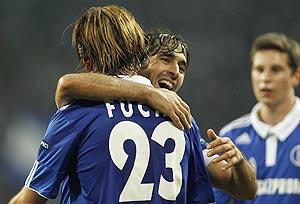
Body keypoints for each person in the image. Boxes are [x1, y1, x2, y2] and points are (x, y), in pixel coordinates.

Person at [9, 5, 216, 204]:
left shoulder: (75, 116)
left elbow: (28, 200)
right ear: (140, 52)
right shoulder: (180, 117)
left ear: (87, 62)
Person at [54, 30, 257, 200]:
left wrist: (238, 162)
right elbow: (69, 84)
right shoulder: (99, 108)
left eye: (182, 67)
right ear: (139, 63)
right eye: (166, 59)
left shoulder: (182, 123)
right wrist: (148, 93)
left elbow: (245, 190)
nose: (175, 71)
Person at [214, 32, 300, 203]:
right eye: (259, 69)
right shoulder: (231, 137)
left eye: (276, 70)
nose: (265, 78)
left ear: (296, 76)